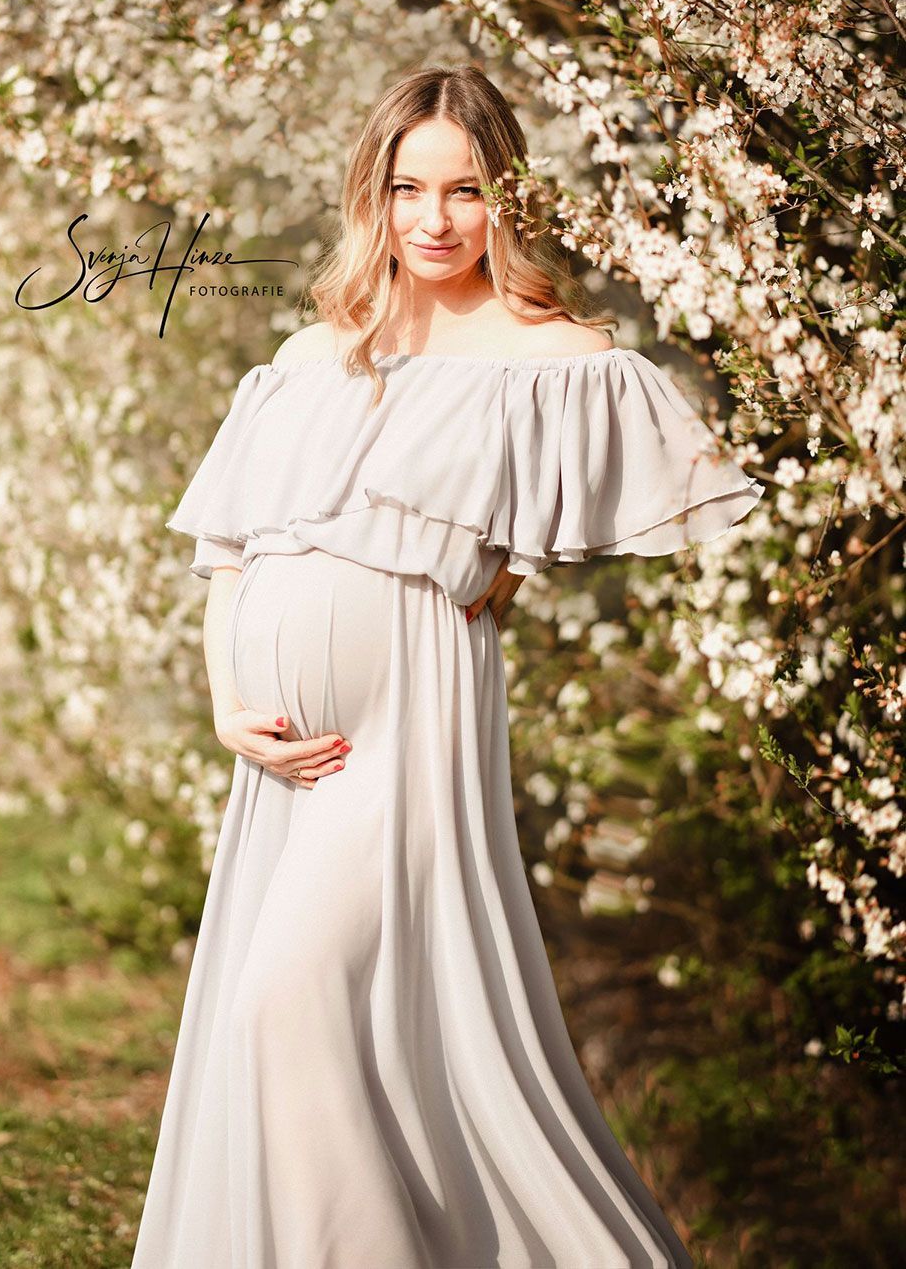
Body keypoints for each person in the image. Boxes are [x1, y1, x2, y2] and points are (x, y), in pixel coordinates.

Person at [131, 64, 765, 1268]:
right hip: (282, 754)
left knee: (285, 1005)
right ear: (372, 194)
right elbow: (228, 551)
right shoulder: (313, 352)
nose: (434, 219)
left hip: (406, 722)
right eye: (408, 187)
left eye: (465, 190)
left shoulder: (554, 353)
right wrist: (226, 700)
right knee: (326, 1030)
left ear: (504, 199)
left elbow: (616, 493)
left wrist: (506, 569)